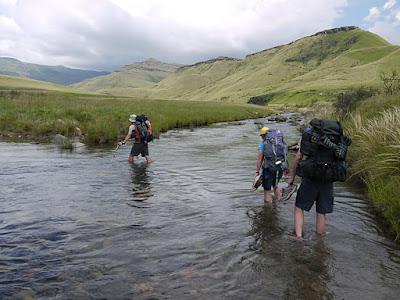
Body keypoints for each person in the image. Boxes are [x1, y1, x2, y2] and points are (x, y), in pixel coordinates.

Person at [287, 119, 351, 240]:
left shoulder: (309, 136)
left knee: (299, 207)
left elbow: (298, 157)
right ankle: (320, 240)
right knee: (321, 212)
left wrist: (291, 177)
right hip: (328, 178)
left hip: (311, 177)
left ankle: (299, 237)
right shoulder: (336, 137)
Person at [255, 127, 288, 205]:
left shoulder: (263, 144)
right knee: (275, 185)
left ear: (263, 135)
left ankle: (268, 211)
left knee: (267, 190)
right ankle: (279, 204)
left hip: (268, 169)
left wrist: (257, 171)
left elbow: (260, 158)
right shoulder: (279, 143)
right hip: (279, 167)